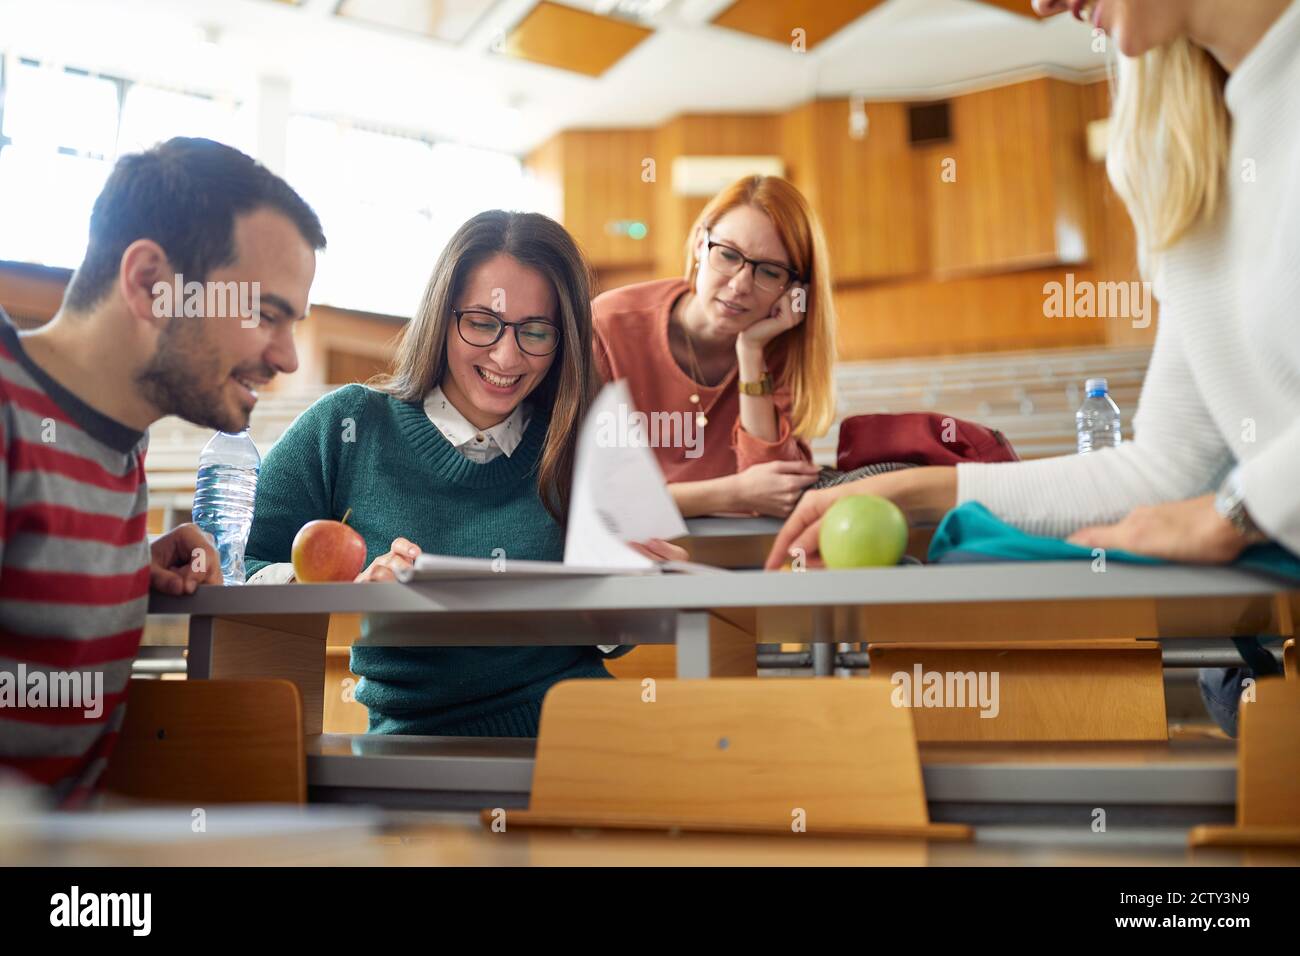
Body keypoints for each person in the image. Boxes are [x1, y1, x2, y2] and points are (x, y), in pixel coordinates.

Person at [767, 0, 1300, 735]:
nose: (1044, 5)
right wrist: (913, 493)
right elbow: (1168, 470)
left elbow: (1213, 501)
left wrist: (1235, 509)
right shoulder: (1195, 162)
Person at [244, 210, 681, 737]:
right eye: (481, 323)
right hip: (409, 750)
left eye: (536, 332)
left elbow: (615, 638)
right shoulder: (347, 425)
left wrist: (633, 591)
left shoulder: (587, 438)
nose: (506, 355)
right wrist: (341, 586)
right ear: (441, 316)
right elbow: (239, 563)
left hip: (579, 740)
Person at [0, 137, 325, 805]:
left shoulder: (119, 443)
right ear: (153, 285)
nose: (289, 358)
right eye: (265, 314)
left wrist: (121, 569)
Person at [593, 175, 836, 518]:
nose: (740, 285)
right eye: (728, 254)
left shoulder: (782, 350)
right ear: (698, 243)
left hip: (743, 558)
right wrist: (733, 494)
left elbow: (779, 496)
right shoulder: (608, 324)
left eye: (769, 272)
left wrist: (751, 352)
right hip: (631, 554)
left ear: (795, 288)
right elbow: (589, 494)